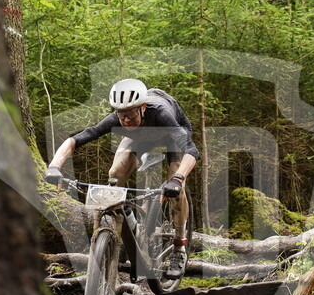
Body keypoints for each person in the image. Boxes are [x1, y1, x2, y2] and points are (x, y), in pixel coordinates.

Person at [44, 79, 198, 278]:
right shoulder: (117, 119)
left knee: (176, 186)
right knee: (115, 174)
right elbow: (75, 140)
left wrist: (177, 180)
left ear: (143, 108)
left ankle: (179, 247)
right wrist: (54, 166)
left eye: (130, 114)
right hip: (140, 137)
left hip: (172, 136)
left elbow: (191, 150)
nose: (125, 120)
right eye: (121, 115)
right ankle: (129, 223)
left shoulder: (162, 114)